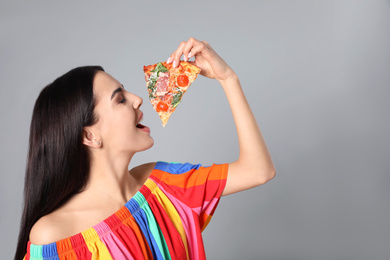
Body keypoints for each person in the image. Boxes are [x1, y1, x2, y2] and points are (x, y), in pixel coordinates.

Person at [15, 38, 276, 260]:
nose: (137, 98)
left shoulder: (164, 186)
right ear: (90, 135)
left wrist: (227, 78)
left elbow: (258, 170)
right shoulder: (53, 234)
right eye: (120, 99)